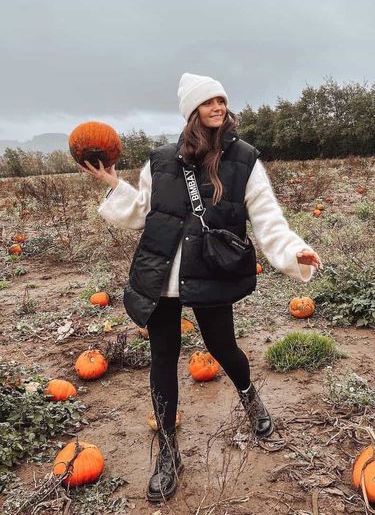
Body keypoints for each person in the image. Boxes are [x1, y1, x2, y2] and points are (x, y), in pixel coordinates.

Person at [78, 73, 322, 504]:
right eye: (208, 100)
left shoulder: (244, 159)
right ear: (191, 110)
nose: (218, 106)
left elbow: (267, 218)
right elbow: (143, 213)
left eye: (221, 99)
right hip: (159, 276)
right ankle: (168, 452)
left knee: (224, 348)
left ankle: (250, 399)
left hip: (208, 272)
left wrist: (293, 250)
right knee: (162, 359)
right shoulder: (161, 159)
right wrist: (114, 184)